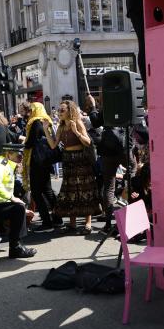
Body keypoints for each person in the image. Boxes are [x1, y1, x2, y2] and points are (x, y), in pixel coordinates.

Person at [51, 99, 101, 234]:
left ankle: (88, 224)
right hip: (67, 159)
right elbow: (53, 145)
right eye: (59, 110)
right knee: (70, 191)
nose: (59, 112)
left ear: (69, 111)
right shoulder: (61, 126)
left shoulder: (77, 123)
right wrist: (46, 129)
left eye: (62, 110)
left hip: (80, 159)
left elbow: (88, 141)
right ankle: (72, 224)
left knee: (85, 190)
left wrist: (76, 131)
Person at [21, 102, 60, 231]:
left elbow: (30, 142)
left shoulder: (35, 122)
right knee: (48, 190)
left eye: (32, 109)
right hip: (45, 160)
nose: (30, 111)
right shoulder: (46, 120)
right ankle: (58, 217)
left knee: (37, 193)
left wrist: (23, 142)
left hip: (37, 161)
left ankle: (46, 221)